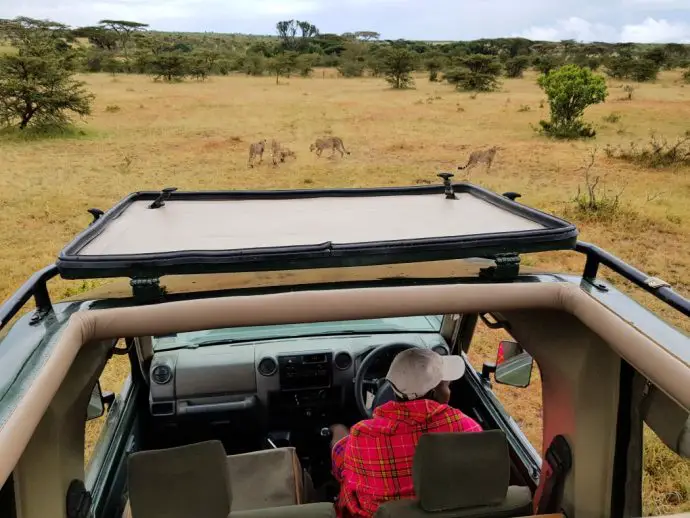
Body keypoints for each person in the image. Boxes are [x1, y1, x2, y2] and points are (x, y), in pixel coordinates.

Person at [330, 348, 482, 518]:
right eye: (445, 384)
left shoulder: (361, 435)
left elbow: (345, 475)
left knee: (340, 438)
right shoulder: (467, 428)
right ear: (434, 392)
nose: (449, 390)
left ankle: (333, 427)